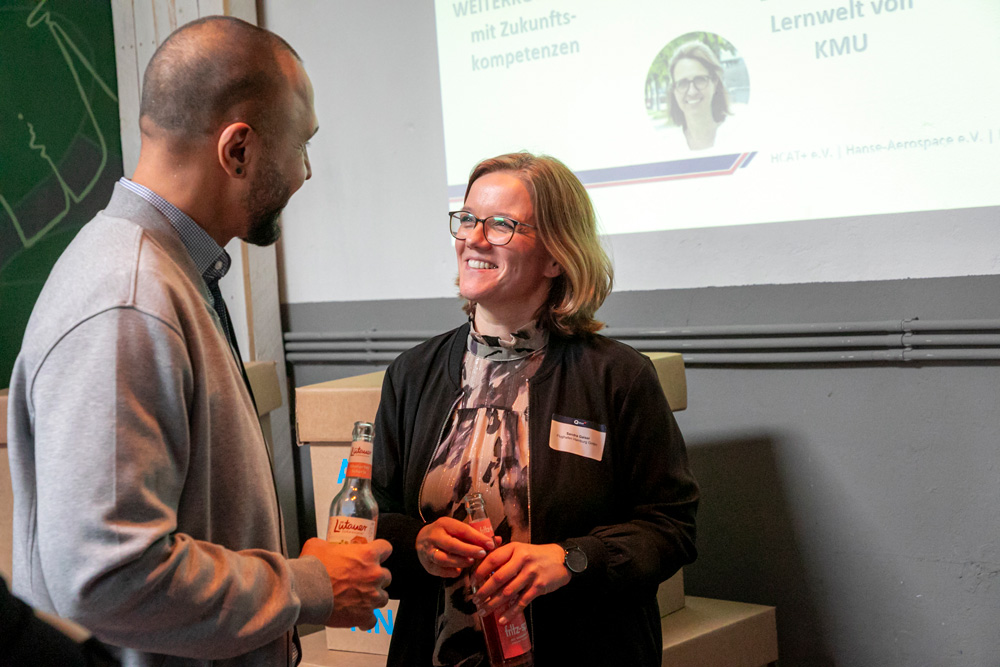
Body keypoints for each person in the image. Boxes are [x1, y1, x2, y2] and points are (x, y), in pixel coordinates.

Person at [7, 16, 391, 667]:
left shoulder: (165, 273)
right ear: (237, 150)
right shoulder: (129, 300)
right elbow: (106, 577)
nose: (303, 173)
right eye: (300, 147)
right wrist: (307, 586)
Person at [372, 152, 699, 666]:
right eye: (468, 219)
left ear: (555, 256)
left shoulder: (617, 377)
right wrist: (419, 543)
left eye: (501, 224)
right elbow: (371, 517)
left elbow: (671, 528)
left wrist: (572, 561)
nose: (474, 238)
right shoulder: (412, 374)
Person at [667, 41, 733, 151]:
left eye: (700, 80)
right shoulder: (669, 146)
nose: (692, 92)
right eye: (682, 83)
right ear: (674, 90)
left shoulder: (736, 133)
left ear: (715, 82)